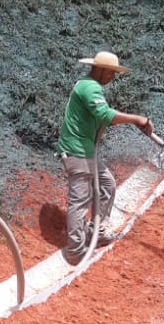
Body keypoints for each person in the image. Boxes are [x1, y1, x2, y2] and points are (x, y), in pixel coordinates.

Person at [57, 50, 153, 265]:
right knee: (79, 201)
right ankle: (76, 250)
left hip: (86, 149)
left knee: (106, 184)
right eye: (110, 72)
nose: (113, 77)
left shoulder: (91, 86)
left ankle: (96, 231)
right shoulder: (90, 87)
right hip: (77, 150)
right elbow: (104, 115)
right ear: (99, 69)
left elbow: (104, 113)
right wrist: (138, 119)